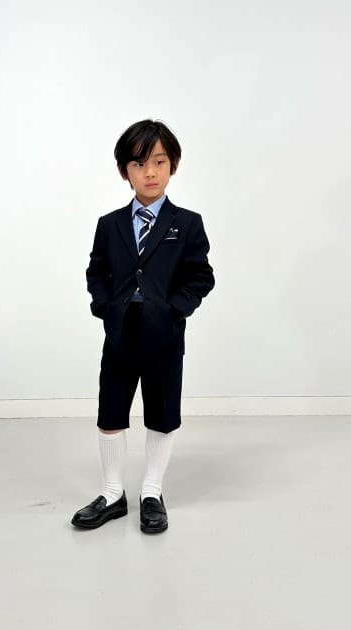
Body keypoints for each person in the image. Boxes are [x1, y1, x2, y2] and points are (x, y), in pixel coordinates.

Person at [71, 119, 215, 534]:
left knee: (162, 413)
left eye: (159, 162)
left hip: (164, 333)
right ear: (124, 171)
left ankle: (152, 492)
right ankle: (112, 493)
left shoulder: (187, 223)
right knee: (111, 411)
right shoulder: (110, 224)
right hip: (119, 332)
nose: (149, 172)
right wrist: (104, 306)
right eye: (138, 164)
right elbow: (97, 271)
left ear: (173, 166)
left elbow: (200, 276)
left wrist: (173, 310)